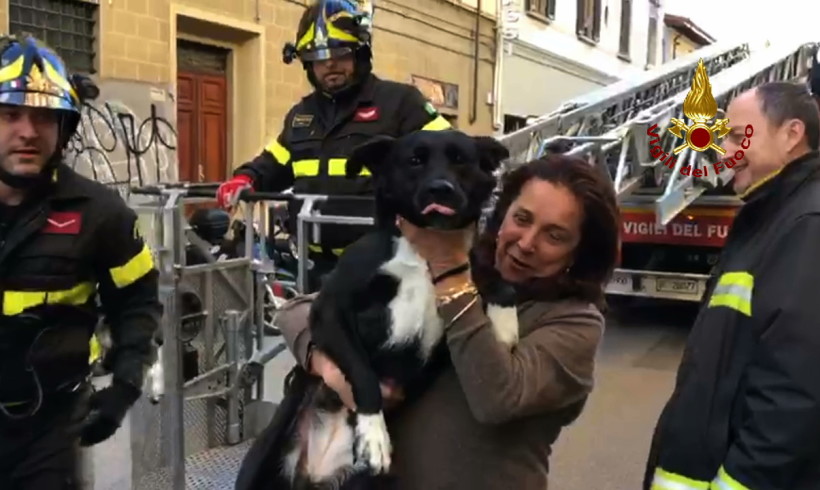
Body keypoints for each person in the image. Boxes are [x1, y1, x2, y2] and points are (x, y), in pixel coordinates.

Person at [266, 153, 620, 489]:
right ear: (502, 214)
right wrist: (333, 370)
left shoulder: (575, 323)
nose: (527, 243)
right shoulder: (453, 269)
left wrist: (450, 276)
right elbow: (300, 311)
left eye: (555, 236)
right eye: (522, 218)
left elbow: (497, 397)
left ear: (580, 251)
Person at [0, 35, 162, 488]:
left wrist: (125, 387)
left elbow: (137, 305)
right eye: (11, 115)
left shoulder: (100, 215)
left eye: (43, 117)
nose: (28, 131)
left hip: (49, 431)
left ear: (63, 128)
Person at [644, 82, 820, 490]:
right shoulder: (775, 214)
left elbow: (792, 397)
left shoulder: (806, 225)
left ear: (792, 134)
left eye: (740, 137)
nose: (724, 152)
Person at [216, 0, 452, 292]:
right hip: (313, 270)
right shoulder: (301, 116)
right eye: (318, 57)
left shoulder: (400, 103)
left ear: (361, 53)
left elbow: (452, 158)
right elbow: (276, 161)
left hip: (386, 268)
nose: (330, 63)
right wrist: (246, 177)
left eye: (340, 53)